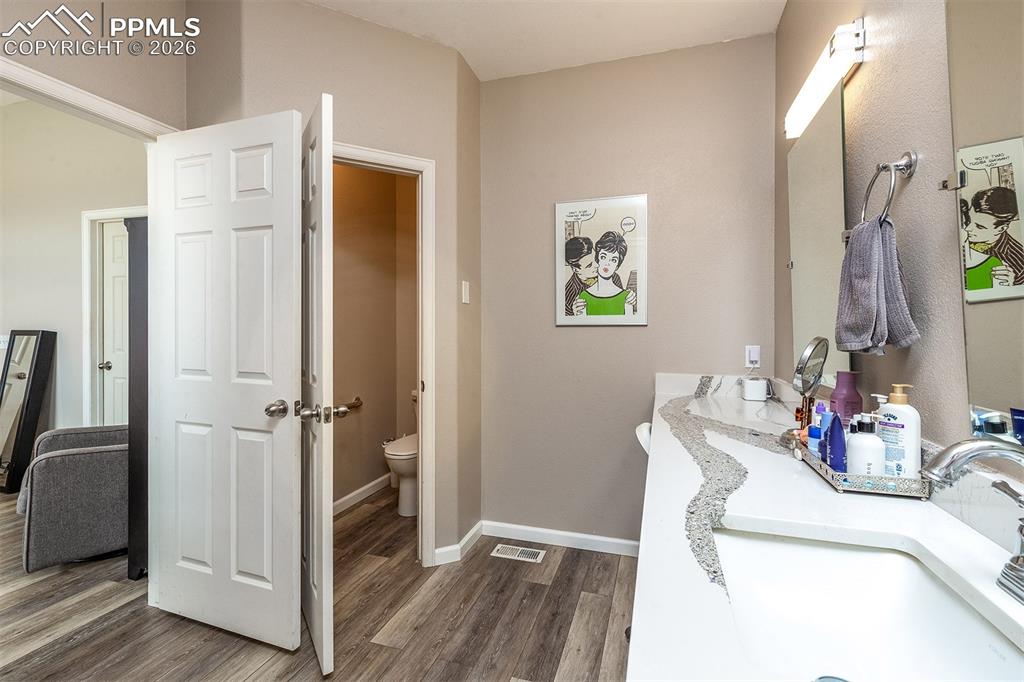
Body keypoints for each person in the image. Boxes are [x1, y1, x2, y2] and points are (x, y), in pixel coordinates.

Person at [962, 187, 1024, 289]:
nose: (968, 228)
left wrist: (1012, 287)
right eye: (968, 220)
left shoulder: (1018, 262)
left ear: (1001, 229)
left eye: (980, 226)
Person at [573, 231, 637, 315]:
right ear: (597, 259)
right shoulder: (583, 298)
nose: (607, 263)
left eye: (613, 260)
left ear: (617, 266)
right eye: (603, 257)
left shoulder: (627, 298)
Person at [563, 236, 623, 315]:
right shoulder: (568, 294)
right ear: (576, 270)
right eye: (589, 265)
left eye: (596, 259)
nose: (597, 265)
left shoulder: (613, 277)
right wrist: (574, 316)